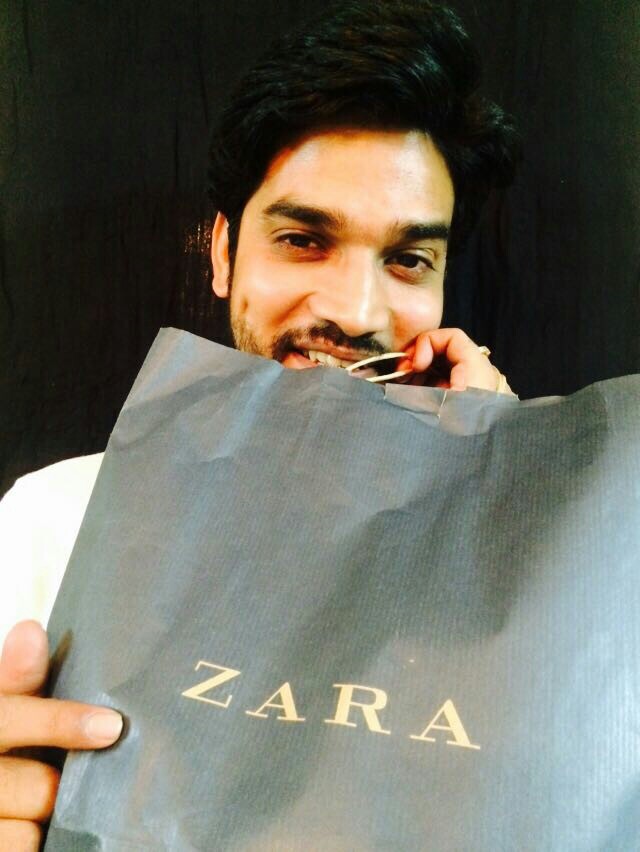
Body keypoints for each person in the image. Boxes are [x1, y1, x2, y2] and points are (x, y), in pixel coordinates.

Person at [0, 0, 520, 845]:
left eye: (406, 259)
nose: (356, 311)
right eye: (304, 240)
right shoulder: (51, 523)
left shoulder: (528, 541)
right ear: (223, 253)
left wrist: (509, 486)